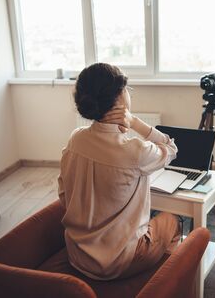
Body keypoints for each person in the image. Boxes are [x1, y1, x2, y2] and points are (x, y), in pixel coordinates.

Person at [58, 63, 181, 280]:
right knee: (174, 220)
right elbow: (171, 148)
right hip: (117, 263)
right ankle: (161, 282)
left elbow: (63, 194)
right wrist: (135, 122)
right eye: (126, 89)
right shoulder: (135, 151)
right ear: (119, 98)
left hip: (77, 254)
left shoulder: (75, 139)